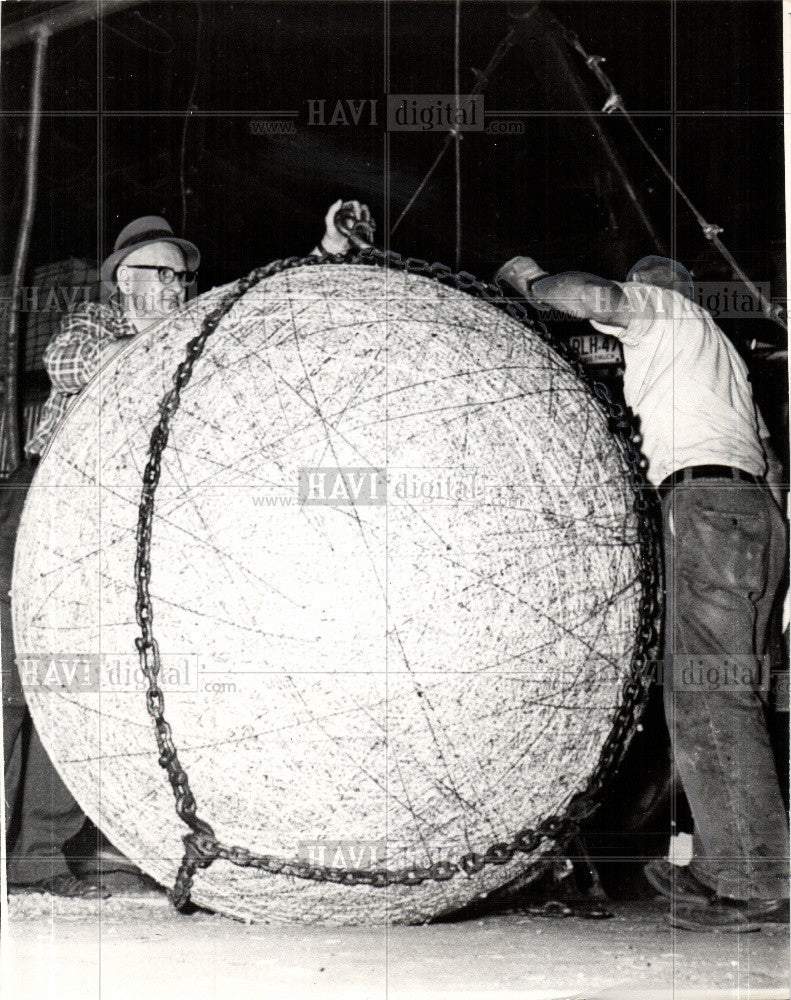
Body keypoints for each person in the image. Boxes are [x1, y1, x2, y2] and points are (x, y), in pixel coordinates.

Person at [4, 199, 367, 897]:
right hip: (39, 516)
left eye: (182, 281)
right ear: (122, 280)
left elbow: (258, 314)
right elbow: (75, 358)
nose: (176, 289)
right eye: (161, 276)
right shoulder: (95, 326)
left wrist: (327, 252)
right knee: (16, 691)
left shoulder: (183, 334)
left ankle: (38, 858)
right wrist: (185, 341)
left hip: (110, 532)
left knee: (86, 692)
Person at [497, 252, 789, 932]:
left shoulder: (667, 311)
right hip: (752, 516)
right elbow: (771, 465)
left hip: (704, 507)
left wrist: (530, 282)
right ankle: (739, 864)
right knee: (726, 694)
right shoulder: (721, 361)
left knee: (706, 697)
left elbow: (589, 291)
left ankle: (753, 879)